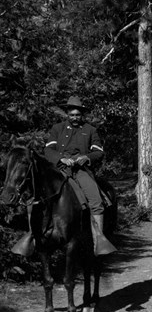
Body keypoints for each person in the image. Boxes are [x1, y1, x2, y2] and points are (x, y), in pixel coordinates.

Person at [13, 96, 117, 257]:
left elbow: (98, 152)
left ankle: (99, 240)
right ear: (67, 113)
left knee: (96, 199)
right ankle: (31, 236)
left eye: (78, 115)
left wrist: (86, 157)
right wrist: (60, 158)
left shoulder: (90, 130)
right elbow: (48, 150)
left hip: (80, 170)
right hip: (58, 169)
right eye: (72, 114)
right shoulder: (57, 128)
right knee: (33, 197)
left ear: (82, 114)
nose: (75, 118)